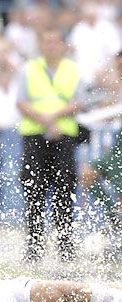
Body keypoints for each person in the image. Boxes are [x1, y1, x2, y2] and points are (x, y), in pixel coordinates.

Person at [17, 27, 84, 262]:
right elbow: (21, 102)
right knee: (34, 190)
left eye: (55, 42)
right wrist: (45, 120)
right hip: (35, 136)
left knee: (64, 190)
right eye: (46, 42)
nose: (50, 47)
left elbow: (79, 102)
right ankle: (34, 246)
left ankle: (66, 247)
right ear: (40, 45)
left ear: (63, 45)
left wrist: (54, 118)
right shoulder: (29, 68)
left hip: (64, 136)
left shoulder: (73, 69)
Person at [81, 50, 122, 260]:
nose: (120, 72)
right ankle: (114, 220)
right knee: (87, 174)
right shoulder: (117, 87)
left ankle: (114, 227)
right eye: (118, 67)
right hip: (118, 149)